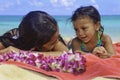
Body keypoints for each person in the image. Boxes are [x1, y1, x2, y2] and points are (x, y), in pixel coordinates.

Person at [0, 11, 68, 56]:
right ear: (37, 45)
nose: (57, 42)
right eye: (52, 43)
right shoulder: (13, 39)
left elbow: (66, 54)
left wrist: (22, 53)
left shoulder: (53, 37)